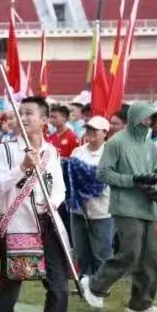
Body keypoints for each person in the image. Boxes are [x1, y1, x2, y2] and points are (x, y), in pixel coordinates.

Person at [0, 97, 75, 312]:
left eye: (29, 113)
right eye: (20, 113)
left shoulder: (52, 152)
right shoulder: (6, 149)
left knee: (59, 288)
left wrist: (51, 203)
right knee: (11, 285)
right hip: (18, 224)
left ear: (44, 120)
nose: (23, 118)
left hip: (48, 225)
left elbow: (59, 188)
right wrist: (22, 168)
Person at [80, 102, 157, 312]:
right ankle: (94, 286)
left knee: (154, 257)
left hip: (148, 206)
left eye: (151, 118)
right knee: (131, 253)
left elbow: (154, 173)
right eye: (145, 117)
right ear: (135, 117)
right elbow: (103, 173)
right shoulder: (116, 142)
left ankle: (140, 305)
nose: (148, 122)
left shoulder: (149, 145)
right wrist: (132, 180)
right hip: (125, 206)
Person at [67, 117, 113, 278]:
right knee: (81, 249)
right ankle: (85, 280)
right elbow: (71, 176)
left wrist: (88, 178)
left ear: (105, 133)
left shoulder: (110, 153)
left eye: (95, 130)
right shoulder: (78, 152)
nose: (90, 133)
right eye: (88, 129)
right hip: (78, 208)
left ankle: (101, 283)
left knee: (102, 250)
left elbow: (106, 178)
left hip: (102, 209)